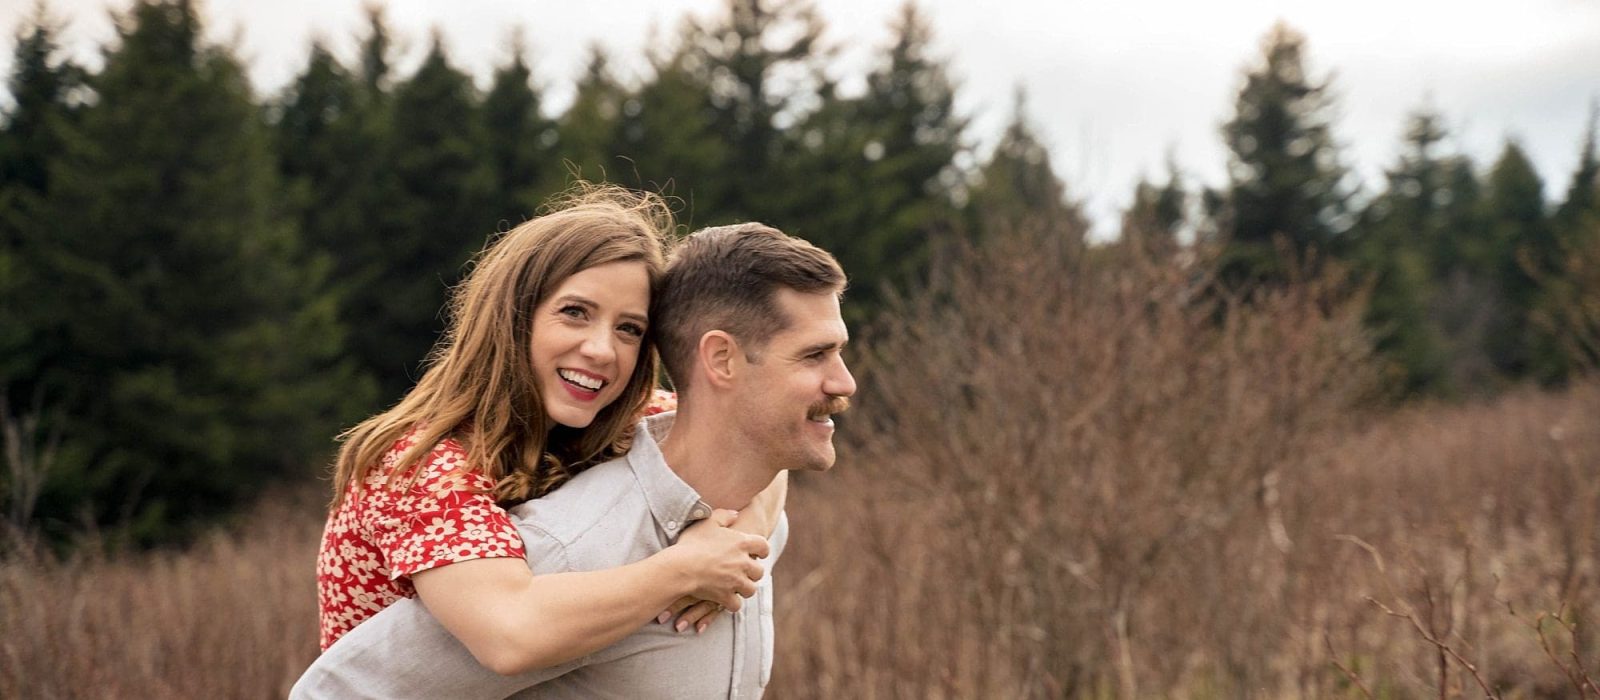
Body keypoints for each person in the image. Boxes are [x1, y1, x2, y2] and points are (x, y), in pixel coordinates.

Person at [293, 222, 854, 699]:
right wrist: (685, 569)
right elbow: (510, 635)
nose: (602, 349)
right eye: (575, 313)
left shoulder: (628, 417)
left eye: (629, 328)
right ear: (512, 318)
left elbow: (754, 433)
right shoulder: (425, 465)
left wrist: (737, 537)